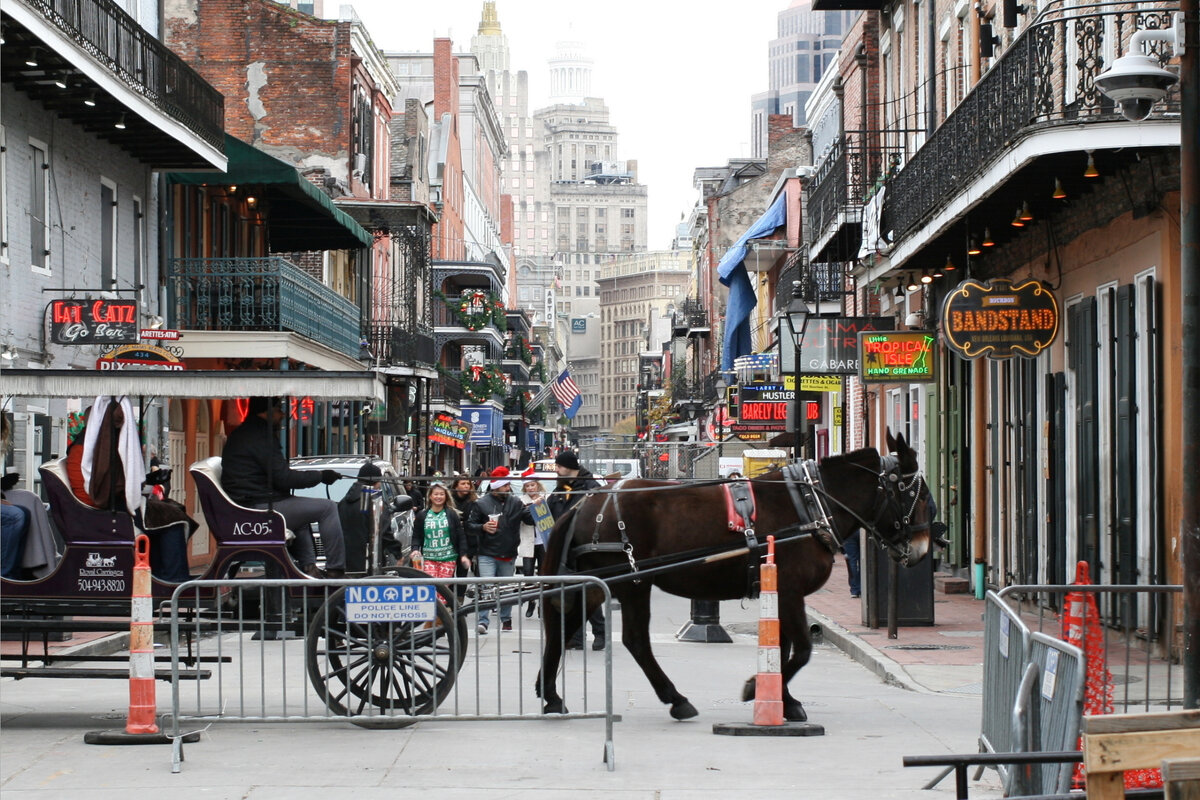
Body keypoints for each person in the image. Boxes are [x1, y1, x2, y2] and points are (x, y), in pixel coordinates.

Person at [220, 396, 346, 579]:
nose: (283, 414)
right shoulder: (260, 437)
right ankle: (336, 570)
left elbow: (279, 476)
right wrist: (320, 476)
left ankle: (310, 569)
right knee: (328, 508)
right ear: (267, 411)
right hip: (257, 508)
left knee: (301, 517)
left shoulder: (249, 433)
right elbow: (284, 478)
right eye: (279, 409)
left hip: (253, 503)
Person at [464, 466, 533, 634]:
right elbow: (469, 526)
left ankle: (506, 619)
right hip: (487, 552)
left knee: (506, 588)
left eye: (508, 485)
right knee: (486, 587)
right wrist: (483, 527)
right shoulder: (481, 503)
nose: (508, 488)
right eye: (505, 486)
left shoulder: (516, 502)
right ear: (496, 487)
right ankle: (483, 621)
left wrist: (536, 506)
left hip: (508, 552)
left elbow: (530, 520)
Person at [548, 450, 606, 650]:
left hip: (584, 547)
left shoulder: (591, 487)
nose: (556, 469)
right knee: (570, 593)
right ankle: (576, 637)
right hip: (564, 547)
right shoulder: (561, 486)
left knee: (587, 593)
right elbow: (552, 510)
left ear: (568, 466)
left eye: (558, 466)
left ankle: (600, 632)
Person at [411, 482, 471, 580]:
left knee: (443, 590)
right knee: (431, 588)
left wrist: (463, 555)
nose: (438, 497)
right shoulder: (422, 516)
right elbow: (416, 536)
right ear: (430, 496)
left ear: (446, 497)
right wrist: (415, 549)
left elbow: (461, 536)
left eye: (442, 494)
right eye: (436, 494)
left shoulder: (452, 514)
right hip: (429, 559)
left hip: (449, 558)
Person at [338, 461, 383, 574]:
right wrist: (396, 552)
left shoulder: (343, 502)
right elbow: (382, 531)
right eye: (380, 481)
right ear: (375, 482)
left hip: (344, 561)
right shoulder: (374, 501)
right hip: (368, 562)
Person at [517, 474, 551, 618]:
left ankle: (543, 605)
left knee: (544, 574)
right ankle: (531, 601)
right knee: (528, 574)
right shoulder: (521, 501)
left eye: (533, 485)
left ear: (538, 485)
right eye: (528, 486)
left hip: (544, 542)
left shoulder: (547, 498)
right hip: (528, 542)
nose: (531, 488)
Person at [841, 529, 862, 599]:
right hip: (861, 531)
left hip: (848, 532)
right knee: (862, 561)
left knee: (852, 562)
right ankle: (861, 586)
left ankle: (854, 590)